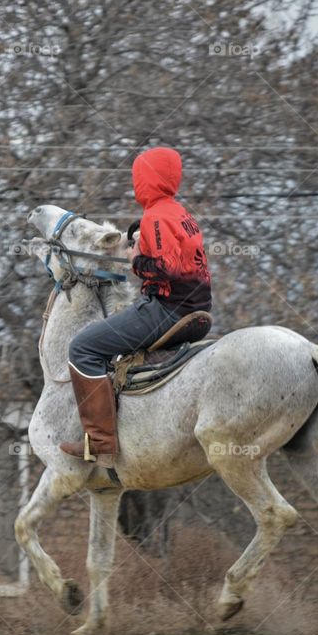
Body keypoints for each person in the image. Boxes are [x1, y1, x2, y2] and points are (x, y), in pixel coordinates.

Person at [59, 147, 212, 466]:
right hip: (198, 311)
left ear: (146, 179)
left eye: (137, 176)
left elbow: (166, 268)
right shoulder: (181, 214)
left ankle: (99, 442)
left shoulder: (156, 214)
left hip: (167, 309)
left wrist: (135, 260)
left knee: (83, 347)